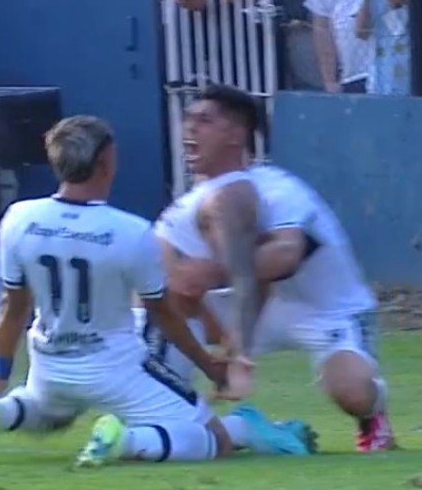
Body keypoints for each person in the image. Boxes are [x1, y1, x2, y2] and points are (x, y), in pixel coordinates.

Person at [0, 115, 314, 468]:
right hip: (114, 369)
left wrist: (0, 373)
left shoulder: (18, 218)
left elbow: (12, 307)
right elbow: (163, 314)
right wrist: (209, 365)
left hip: (50, 364)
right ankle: (126, 440)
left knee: (48, 411)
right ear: (106, 162)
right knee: (214, 439)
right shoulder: (130, 231)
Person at [152, 84, 397, 453]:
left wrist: (213, 272)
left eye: (204, 121)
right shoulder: (191, 203)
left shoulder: (278, 189)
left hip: (326, 310)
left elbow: (286, 255)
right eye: (188, 119)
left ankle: (373, 417)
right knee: (164, 299)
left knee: (353, 392)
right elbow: (167, 274)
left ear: (236, 134)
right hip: (250, 304)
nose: (189, 129)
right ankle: (170, 410)